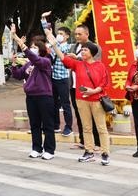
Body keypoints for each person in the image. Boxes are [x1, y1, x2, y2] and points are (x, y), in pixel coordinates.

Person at [46, 32, 111, 165]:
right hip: (81, 100)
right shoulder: (78, 64)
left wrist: (93, 91)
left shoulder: (100, 66)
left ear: (92, 53)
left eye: (85, 50)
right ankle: (89, 151)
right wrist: (55, 46)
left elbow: (104, 83)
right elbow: (63, 58)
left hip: (96, 100)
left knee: (101, 128)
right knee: (86, 127)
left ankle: (105, 153)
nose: (82, 52)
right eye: (82, 50)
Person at [11, 31, 56, 160]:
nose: (32, 49)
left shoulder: (45, 61)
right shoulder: (28, 64)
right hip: (31, 97)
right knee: (34, 124)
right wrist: (13, 64)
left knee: (47, 124)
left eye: (35, 47)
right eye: (31, 47)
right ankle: (37, 148)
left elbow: (36, 59)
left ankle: (49, 150)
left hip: (44, 96)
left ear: (41, 49)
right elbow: (18, 75)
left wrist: (23, 46)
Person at [68, 25, 101, 150]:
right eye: (76, 34)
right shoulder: (73, 47)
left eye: (80, 34)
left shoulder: (95, 47)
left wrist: (77, 58)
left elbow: (95, 63)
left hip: (89, 87)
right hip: (74, 85)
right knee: (79, 113)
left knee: (92, 115)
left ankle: (97, 143)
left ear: (87, 34)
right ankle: (83, 141)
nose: (77, 36)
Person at [48, 26, 74, 137]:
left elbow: (62, 54)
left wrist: (54, 44)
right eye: (58, 33)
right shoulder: (54, 45)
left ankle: (68, 127)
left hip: (63, 79)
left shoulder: (68, 47)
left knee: (65, 104)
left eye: (61, 34)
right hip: (53, 78)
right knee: (53, 103)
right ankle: (56, 125)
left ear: (67, 36)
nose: (59, 35)